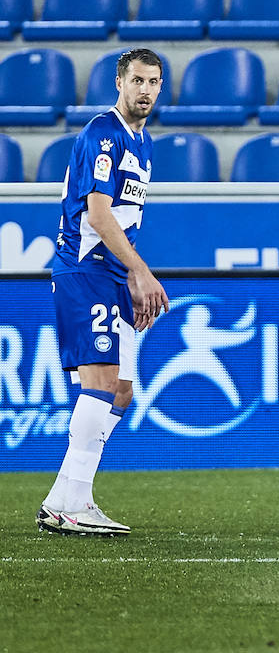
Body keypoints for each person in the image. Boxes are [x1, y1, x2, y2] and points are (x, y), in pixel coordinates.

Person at [38, 48, 170, 536]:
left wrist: (130, 274)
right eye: (137, 80)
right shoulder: (103, 133)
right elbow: (97, 214)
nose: (146, 90)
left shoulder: (144, 142)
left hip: (114, 275)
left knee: (122, 389)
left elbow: (125, 218)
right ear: (120, 82)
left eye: (154, 82)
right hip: (86, 270)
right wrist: (140, 272)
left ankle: (62, 496)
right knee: (99, 380)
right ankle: (76, 503)